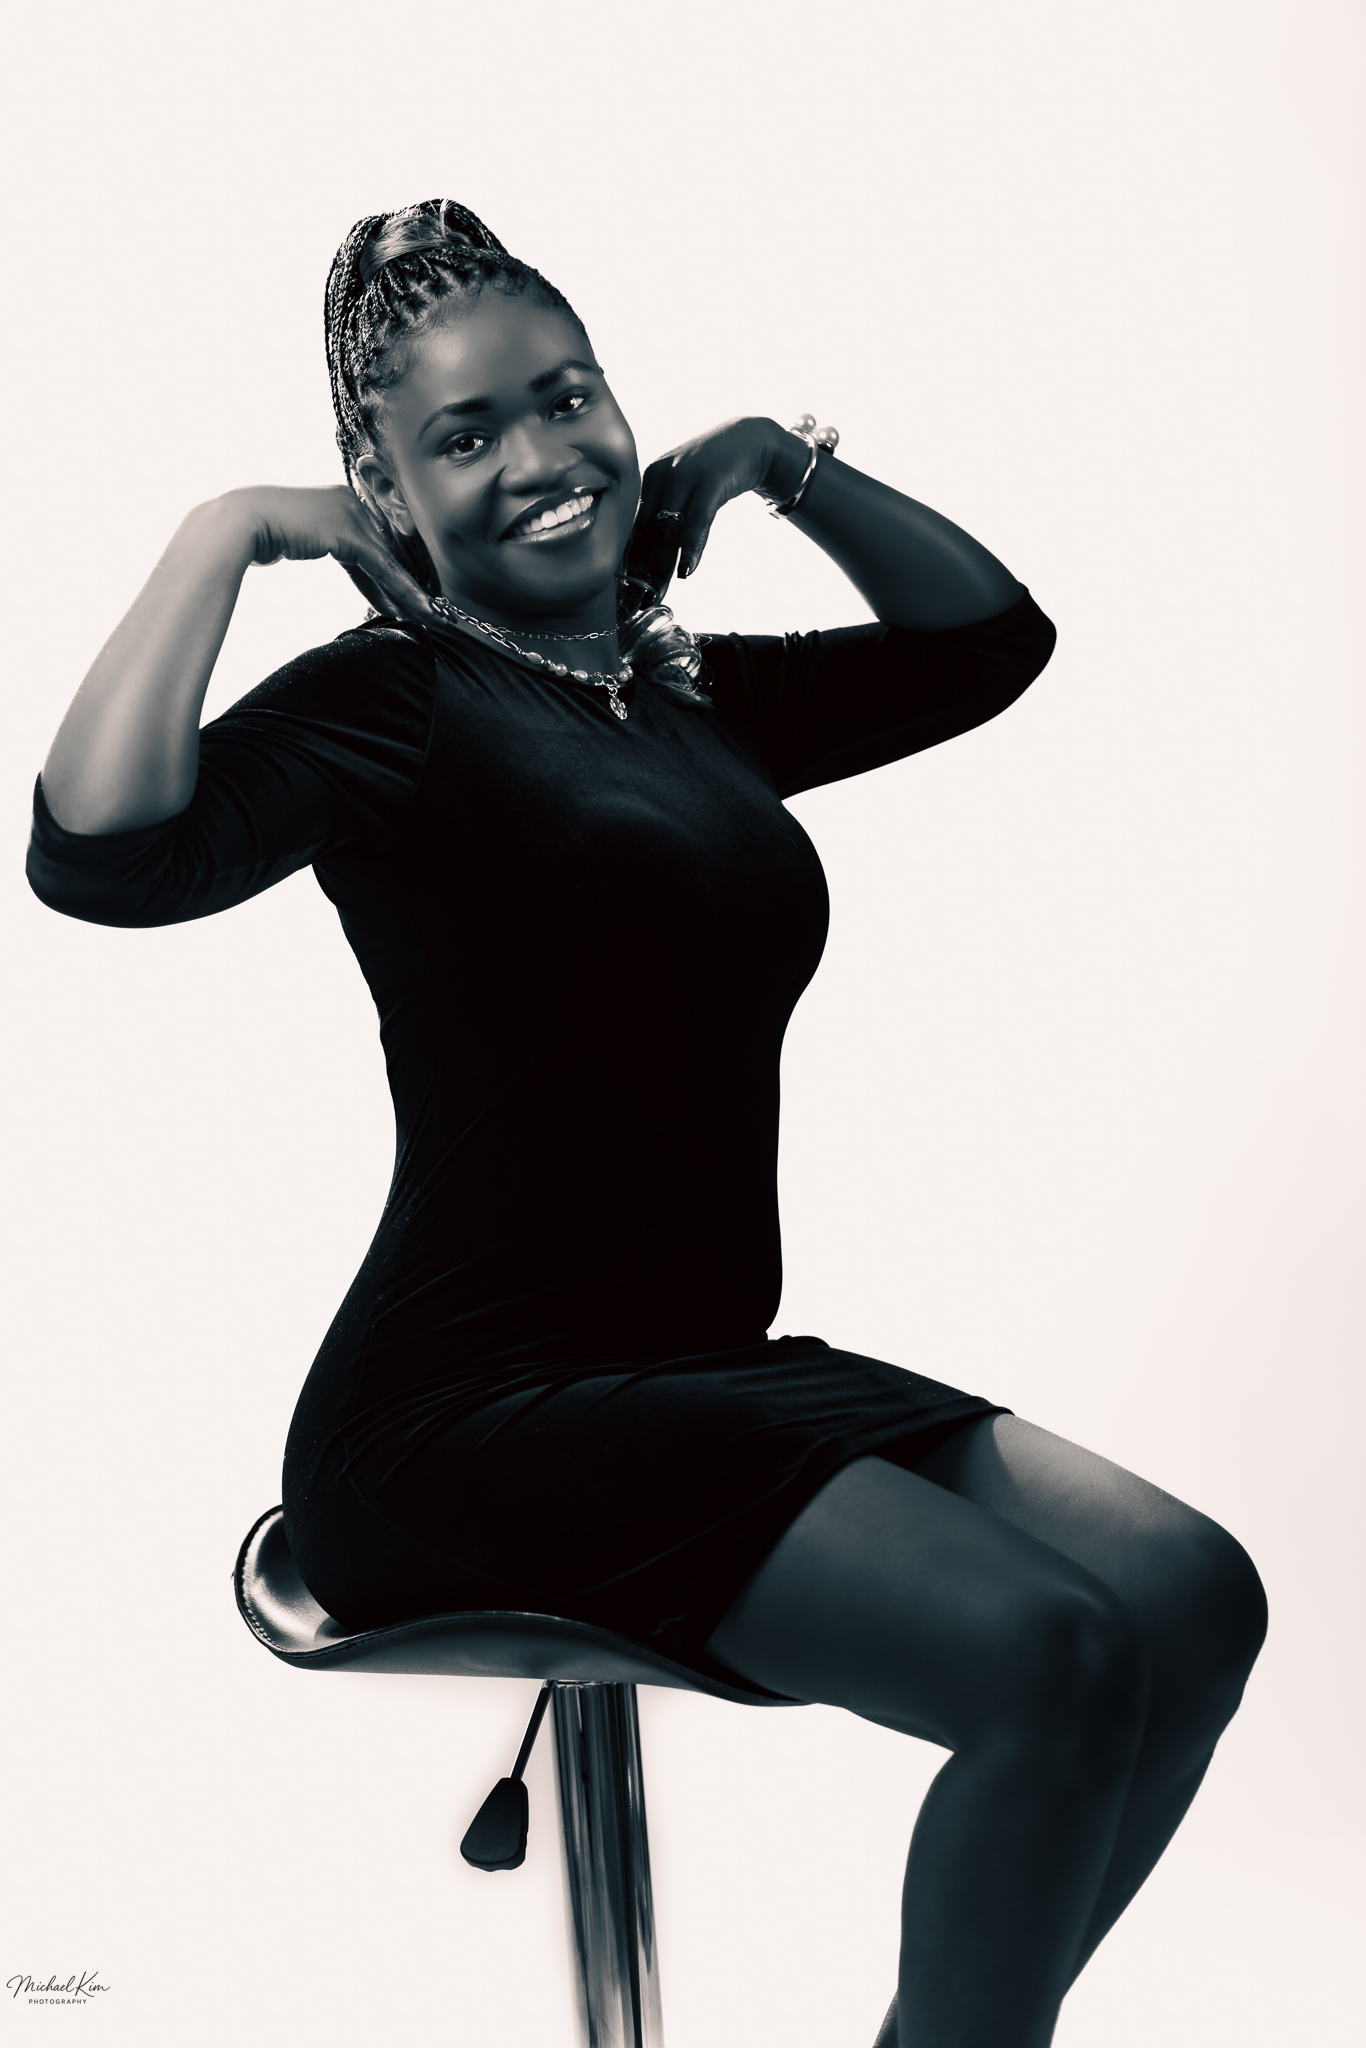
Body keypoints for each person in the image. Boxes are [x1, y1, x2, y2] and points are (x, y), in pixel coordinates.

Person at [27, 199, 1267, 2048]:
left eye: (567, 396)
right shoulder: (393, 702)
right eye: (463, 435)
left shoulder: (686, 699)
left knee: (1187, 1593)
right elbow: (100, 857)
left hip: (698, 1377)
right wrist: (231, 530)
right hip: (459, 1420)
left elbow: (988, 642)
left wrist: (770, 461)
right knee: (1051, 1654)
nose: (543, 457)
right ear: (384, 488)